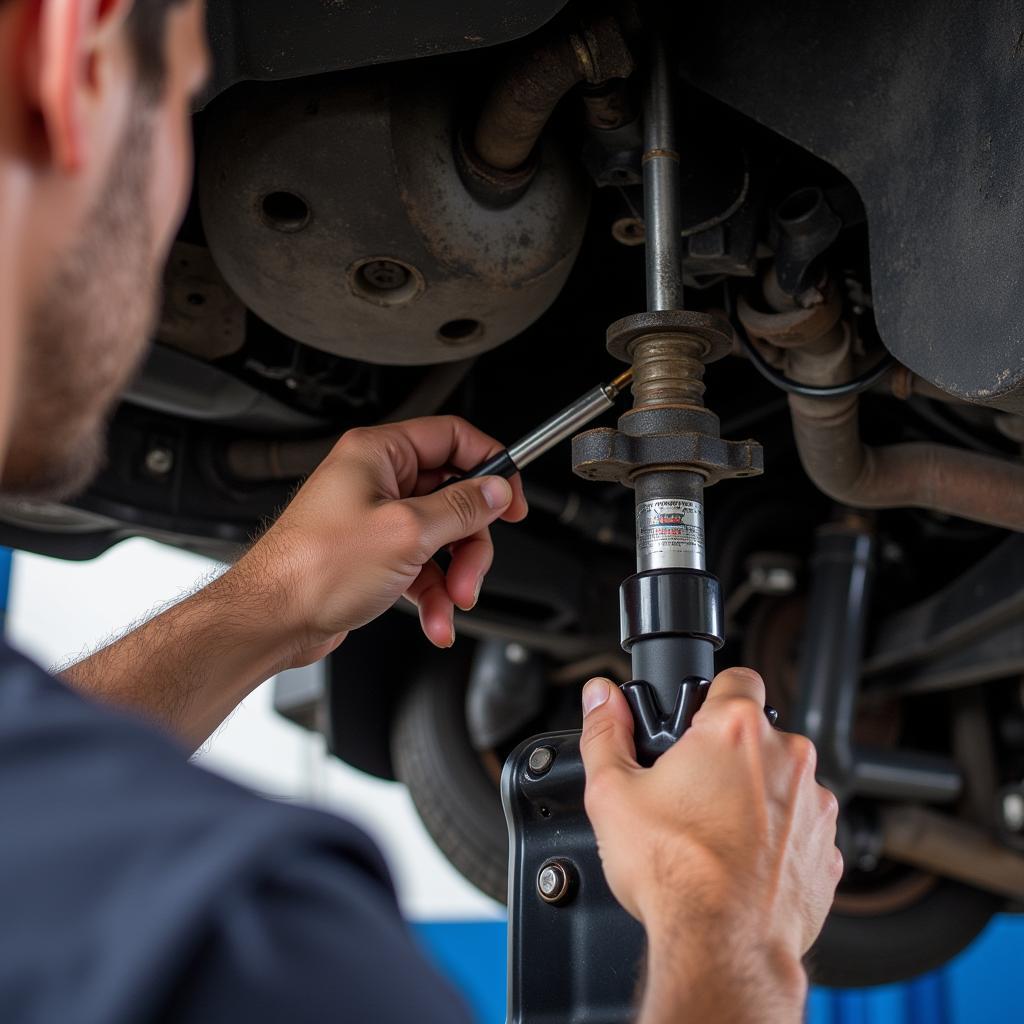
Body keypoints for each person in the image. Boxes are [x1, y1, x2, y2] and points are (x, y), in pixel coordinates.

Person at [0, 0, 843, 1021]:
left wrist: (270, 602)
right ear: (68, 56)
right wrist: (730, 930)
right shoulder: (230, 943)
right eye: (177, 103)